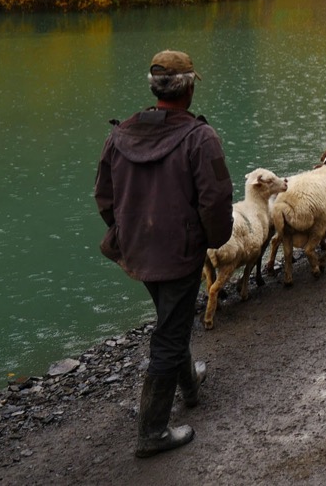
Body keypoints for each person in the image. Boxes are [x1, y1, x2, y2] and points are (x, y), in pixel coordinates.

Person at [94, 49, 234, 458]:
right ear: (189, 88)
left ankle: (189, 385)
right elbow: (216, 199)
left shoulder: (120, 136)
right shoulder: (199, 137)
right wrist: (211, 240)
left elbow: (104, 197)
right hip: (181, 251)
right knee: (170, 332)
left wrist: (127, 232)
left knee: (172, 317)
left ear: (154, 88)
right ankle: (152, 432)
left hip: (137, 250)